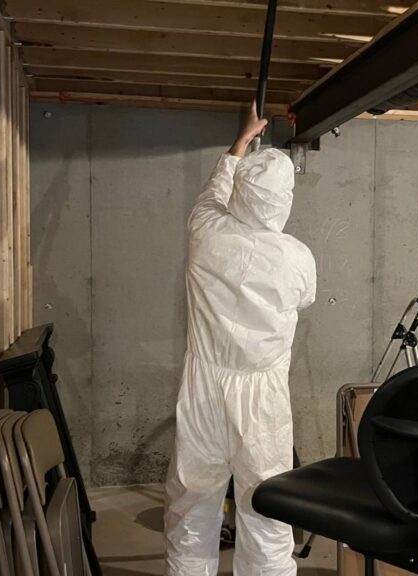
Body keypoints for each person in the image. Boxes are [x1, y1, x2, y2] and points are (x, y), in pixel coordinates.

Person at [164, 103, 317, 576]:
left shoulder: (206, 232)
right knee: (268, 512)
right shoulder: (296, 258)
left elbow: (215, 189)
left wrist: (242, 140)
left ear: (241, 194)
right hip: (262, 398)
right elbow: (305, 300)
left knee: (193, 507)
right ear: (285, 200)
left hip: (204, 390)